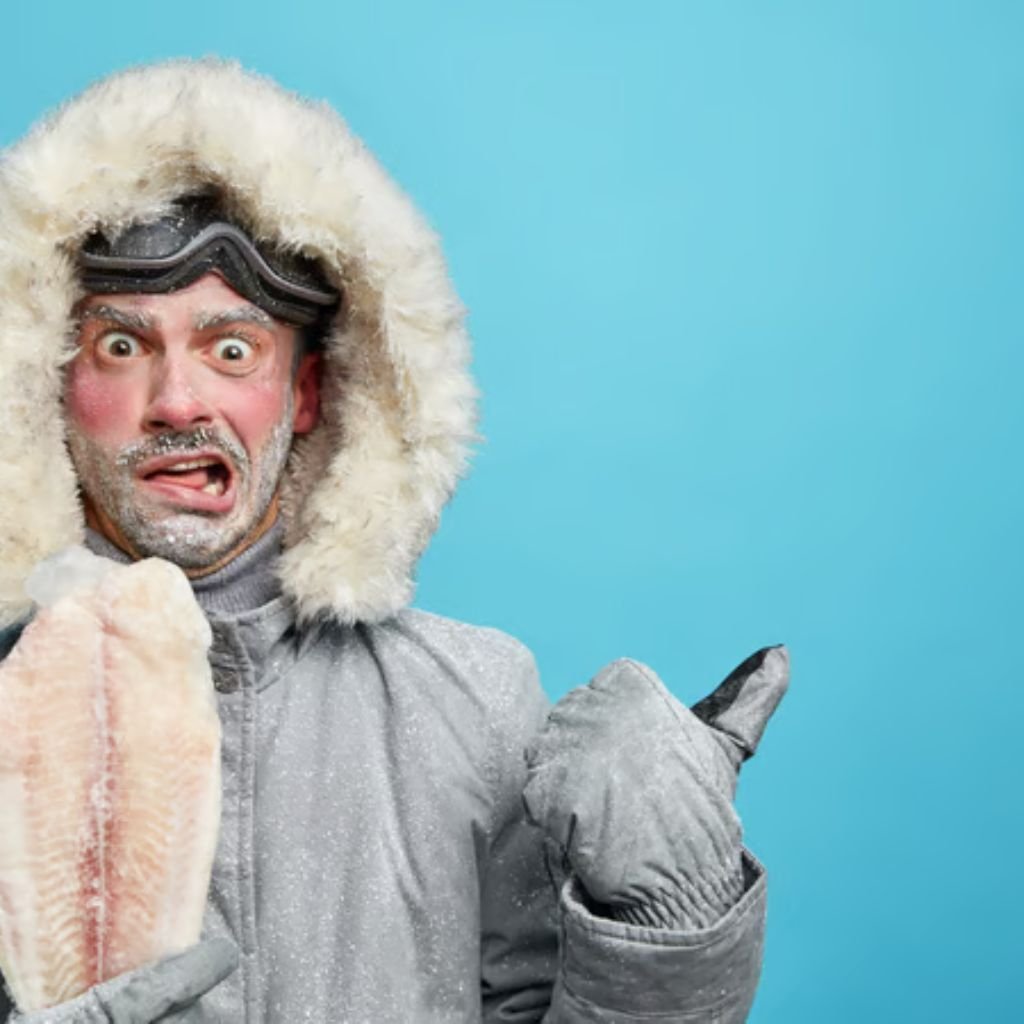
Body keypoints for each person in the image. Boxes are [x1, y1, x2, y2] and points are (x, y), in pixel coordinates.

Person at [0, 60, 788, 1022]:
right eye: (121, 346)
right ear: (44, 380)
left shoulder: (472, 702)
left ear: (306, 394)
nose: (175, 401)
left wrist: (674, 917)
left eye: (232, 350)